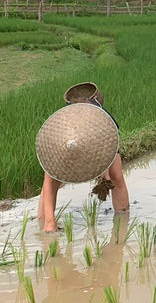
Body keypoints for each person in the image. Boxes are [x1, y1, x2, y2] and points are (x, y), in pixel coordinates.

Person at [37, 82, 129, 233]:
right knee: (51, 181)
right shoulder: (60, 130)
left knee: (116, 177)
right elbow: (49, 180)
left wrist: (104, 176)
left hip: (99, 142)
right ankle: (45, 223)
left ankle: (123, 216)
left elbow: (108, 150)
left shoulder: (102, 122)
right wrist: (49, 222)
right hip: (66, 144)